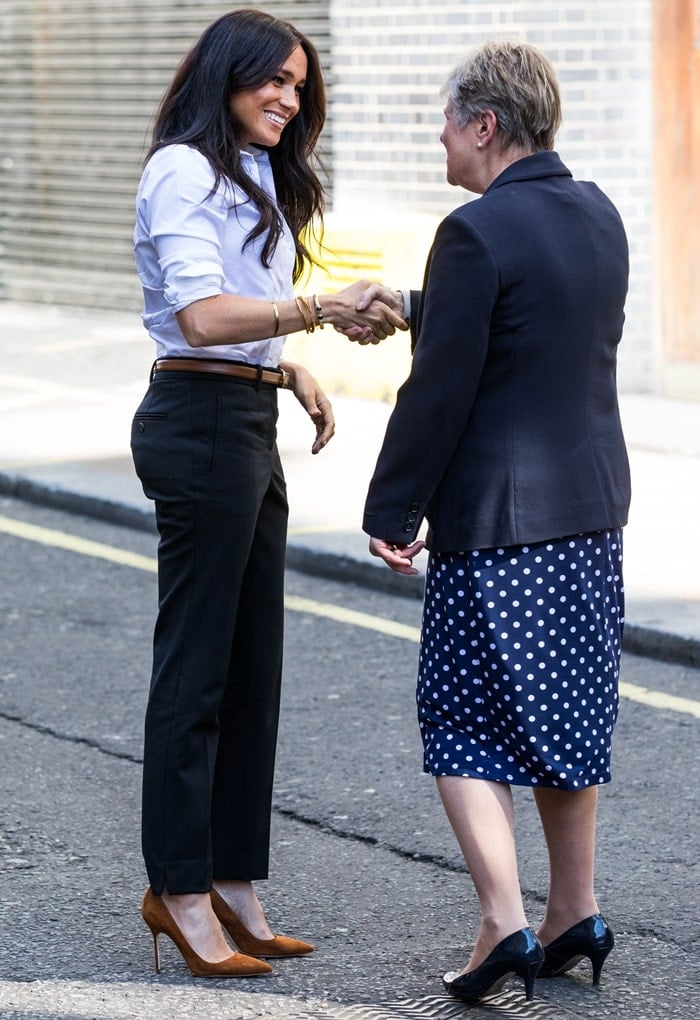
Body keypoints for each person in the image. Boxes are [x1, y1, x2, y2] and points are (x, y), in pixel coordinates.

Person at [130, 8, 405, 979]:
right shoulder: (180, 169)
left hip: (245, 419)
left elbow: (239, 317)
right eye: (273, 80)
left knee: (254, 671)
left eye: (299, 83)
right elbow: (200, 316)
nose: (289, 98)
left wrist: (287, 367)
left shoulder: (252, 174)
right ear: (226, 76)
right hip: (196, 425)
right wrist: (315, 308)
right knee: (196, 671)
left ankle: (237, 882)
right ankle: (179, 889)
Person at [359, 40, 629, 1003]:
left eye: (445, 119)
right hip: (591, 516)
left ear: (485, 125)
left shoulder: (473, 230)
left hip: (501, 527)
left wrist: (391, 507)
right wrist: (425, 307)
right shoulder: (598, 213)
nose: (438, 135)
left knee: (463, 724)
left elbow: (444, 391)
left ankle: (503, 922)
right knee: (566, 718)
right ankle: (575, 912)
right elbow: (542, 329)